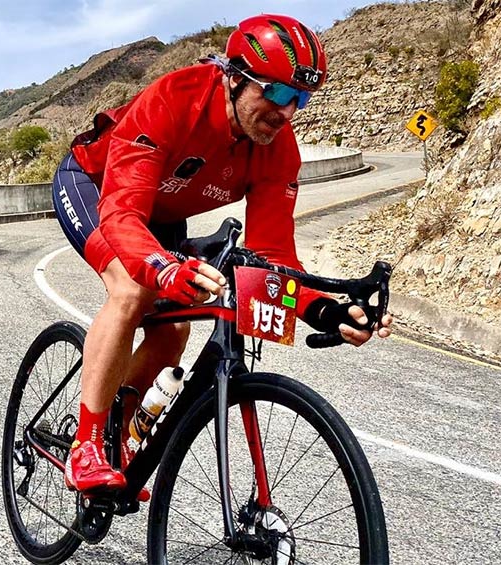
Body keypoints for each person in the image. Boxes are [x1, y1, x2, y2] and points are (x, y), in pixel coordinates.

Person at [51, 14, 393, 494]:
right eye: (276, 93)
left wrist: (325, 309)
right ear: (235, 78)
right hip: (97, 185)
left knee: (175, 329)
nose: (288, 112)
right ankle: (84, 447)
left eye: (301, 98)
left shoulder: (277, 149)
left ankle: (118, 434)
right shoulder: (174, 99)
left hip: (163, 212)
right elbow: (123, 215)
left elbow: (275, 255)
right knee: (132, 291)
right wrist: (163, 269)